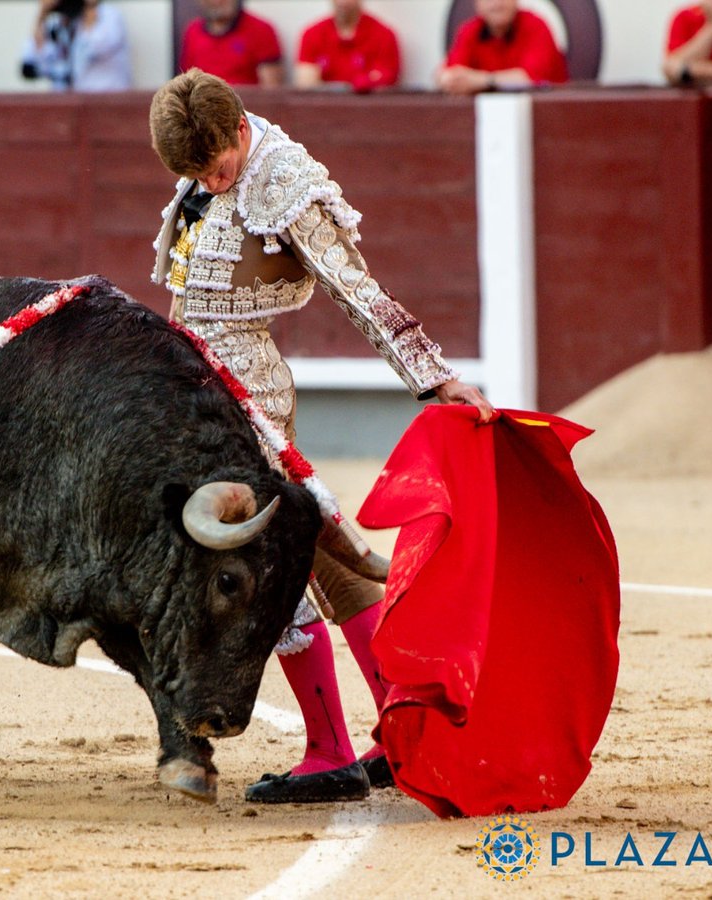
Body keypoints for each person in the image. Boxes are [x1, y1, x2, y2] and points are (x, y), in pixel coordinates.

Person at [148, 69, 494, 803]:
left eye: (216, 168)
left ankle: (330, 749)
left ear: (240, 128)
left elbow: (354, 286)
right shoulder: (211, 163)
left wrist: (433, 378)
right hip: (204, 398)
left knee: (268, 559)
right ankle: (401, 731)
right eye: (194, 175)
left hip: (247, 399)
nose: (210, 182)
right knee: (322, 559)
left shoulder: (282, 179)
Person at [436, 0, 567, 95]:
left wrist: (481, 80)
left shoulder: (536, 26)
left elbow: (530, 80)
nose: (497, 3)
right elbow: (450, 73)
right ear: (477, 4)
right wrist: (448, 79)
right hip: (486, 117)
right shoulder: (469, 30)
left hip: (545, 115)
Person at [21, 0, 131, 91]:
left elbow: (97, 48)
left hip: (108, 97)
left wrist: (89, 11)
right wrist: (43, 13)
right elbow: (33, 60)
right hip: (69, 103)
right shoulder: (57, 20)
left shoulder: (108, 14)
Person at [294, 0, 399, 92]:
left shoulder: (383, 35)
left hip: (367, 111)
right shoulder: (312, 34)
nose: (343, 1)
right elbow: (306, 86)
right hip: (323, 110)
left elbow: (386, 80)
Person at [179, 0, 282, 87]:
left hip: (245, 107)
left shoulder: (261, 30)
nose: (217, 2)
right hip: (201, 106)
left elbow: (271, 89)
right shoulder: (191, 31)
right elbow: (186, 82)